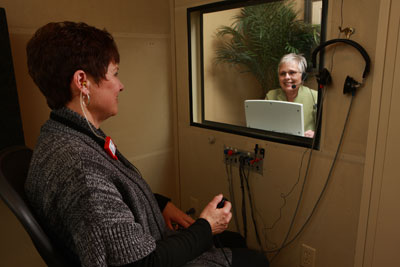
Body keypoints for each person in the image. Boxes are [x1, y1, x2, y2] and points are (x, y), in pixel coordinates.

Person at [24, 21, 269, 267]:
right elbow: (144, 263)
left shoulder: (65, 135)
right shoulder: (79, 168)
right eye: (115, 73)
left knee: (234, 239)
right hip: (152, 258)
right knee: (256, 260)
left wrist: (160, 205)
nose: (121, 85)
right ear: (82, 81)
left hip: (148, 240)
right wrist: (207, 226)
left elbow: (109, 199)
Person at [266, 53, 318, 138]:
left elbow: (326, 132)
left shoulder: (315, 97)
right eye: (282, 74)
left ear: (303, 76)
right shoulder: (271, 96)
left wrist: (316, 134)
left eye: (292, 72)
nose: (287, 77)